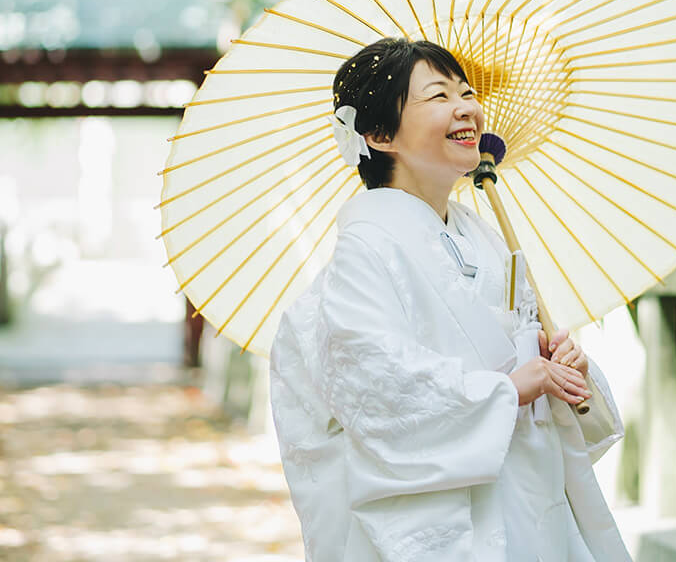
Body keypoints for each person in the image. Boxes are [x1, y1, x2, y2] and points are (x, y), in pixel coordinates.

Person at [269, 38, 631, 561]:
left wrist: (555, 363)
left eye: (465, 92)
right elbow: (375, 382)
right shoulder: (366, 249)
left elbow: (518, 351)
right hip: (454, 517)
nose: (467, 107)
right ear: (378, 134)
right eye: (437, 96)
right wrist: (508, 390)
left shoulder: (483, 235)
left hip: (529, 493)